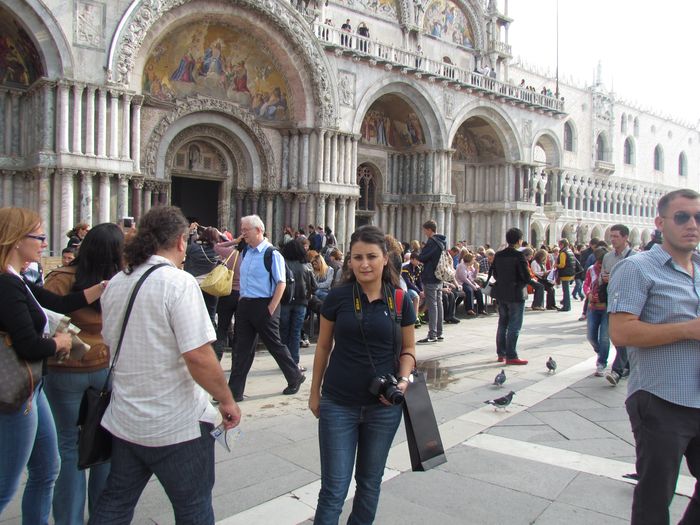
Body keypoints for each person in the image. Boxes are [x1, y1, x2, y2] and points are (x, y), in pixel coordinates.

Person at [89, 206, 240, 525]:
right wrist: (226, 399)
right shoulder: (178, 283)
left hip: (126, 420)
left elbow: (109, 342)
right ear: (181, 241)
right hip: (177, 425)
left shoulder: (116, 283)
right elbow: (198, 356)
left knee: (115, 504)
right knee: (193, 508)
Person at [0, 207, 105, 524]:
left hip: (33, 387)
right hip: (16, 391)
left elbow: (57, 302)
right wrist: (59, 343)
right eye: (39, 237)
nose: (44, 243)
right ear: (17, 239)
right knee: (6, 484)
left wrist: (101, 287)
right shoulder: (6, 284)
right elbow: (29, 345)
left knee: (48, 468)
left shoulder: (16, 279)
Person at [308, 225, 416, 524]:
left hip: (383, 407)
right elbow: (323, 347)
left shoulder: (400, 299)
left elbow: (408, 349)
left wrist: (403, 381)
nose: (364, 264)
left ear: (385, 259)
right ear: (350, 261)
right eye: (357, 257)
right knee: (334, 488)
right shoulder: (338, 297)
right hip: (338, 404)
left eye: (371, 256)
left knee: (370, 483)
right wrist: (315, 392)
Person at [608, 189, 700, 525]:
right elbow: (621, 332)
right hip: (661, 398)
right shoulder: (637, 268)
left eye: (698, 217)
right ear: (660, 223)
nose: (692, 225)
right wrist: (688, 330)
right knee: (655, 497)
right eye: (682, 217)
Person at [42, 223, 124, 525]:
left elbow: (43, 319)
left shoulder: (61, 279)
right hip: (106, 365)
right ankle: (102, 518)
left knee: (67, 446)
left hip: (66, 367)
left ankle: (69, 520)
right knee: (103, 443)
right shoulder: (121, 281)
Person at [227, 215, 306, 401]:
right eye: (242, 229)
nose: (243, 233)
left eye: (246, 230)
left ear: (258, 230)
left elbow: (281, 283)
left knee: (274, 345)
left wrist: (271, 308)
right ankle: (234, 392)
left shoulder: (272, 254)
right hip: (246, 305)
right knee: (241, 350)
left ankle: (294, 376)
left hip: (265, 304)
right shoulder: (245, 252)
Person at [489, 227, 530, 365]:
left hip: (502, 293)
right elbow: (526, 276)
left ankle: (501, 353)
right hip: (516, 294)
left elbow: (494, 274)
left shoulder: (499, 255)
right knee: (514, 325)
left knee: (502, 323)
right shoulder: (519, 256)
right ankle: (511, 355)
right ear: (519, 241)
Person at [602, 224, 633, 386]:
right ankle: (627, 364)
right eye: (611, 236)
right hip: (611, 301)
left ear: (625, 237)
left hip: (628, 303)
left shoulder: (635, 258)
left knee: (621, 337)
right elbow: (602, 277)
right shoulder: (608, 257)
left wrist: (613, 277)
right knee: (614, 336)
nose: (612, 239)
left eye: (616, 236)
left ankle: (617, 371)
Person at [280, 238, 316, 370]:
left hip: (285, 301)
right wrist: (308, 294)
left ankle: (284, 361)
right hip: (301, 302)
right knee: (295, 332)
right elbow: (314, 286)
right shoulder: (306, 266)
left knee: (284, 331)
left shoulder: (282, 265)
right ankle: (294, 362)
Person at [417, 219, 447, 344]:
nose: (424, 233)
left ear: (429, 229)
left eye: (425, 230)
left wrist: (420, 253)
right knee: (438, 303)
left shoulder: (432, 241)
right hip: (439, 276)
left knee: (432, 304)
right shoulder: (442, 241)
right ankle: (439, 333)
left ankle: (432, 334)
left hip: (430, 276)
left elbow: (423, 257)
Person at [184, 226, 221, 325]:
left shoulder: (193, 248)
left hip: (194, 285)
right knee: (211, 317)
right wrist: (219, 233)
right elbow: (230, 243)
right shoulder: (217, 250)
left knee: (193, 317)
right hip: (211, 286)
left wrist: (190, 232)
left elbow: (183, 248)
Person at [583, 247, 610, 376]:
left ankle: (601, 363)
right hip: (593, 307)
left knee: (604, 337)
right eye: (598, 262)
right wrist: (588, 294)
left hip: (606, 308)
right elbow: (586, 284)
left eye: (602, 262)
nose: (599, 265)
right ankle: (601, 351)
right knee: (591, 336)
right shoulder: (591, 270)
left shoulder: (611, 271)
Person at [556, 238, 575, 312]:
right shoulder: (570, 251)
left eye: (559, 244)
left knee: (565, 291)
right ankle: (565, 303)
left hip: (565, 274)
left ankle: (566, 306)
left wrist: (556, 265)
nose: (559, 246)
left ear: (562, 244)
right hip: (570, 273)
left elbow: (562, 264)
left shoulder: (563, 253)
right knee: (566, 290)